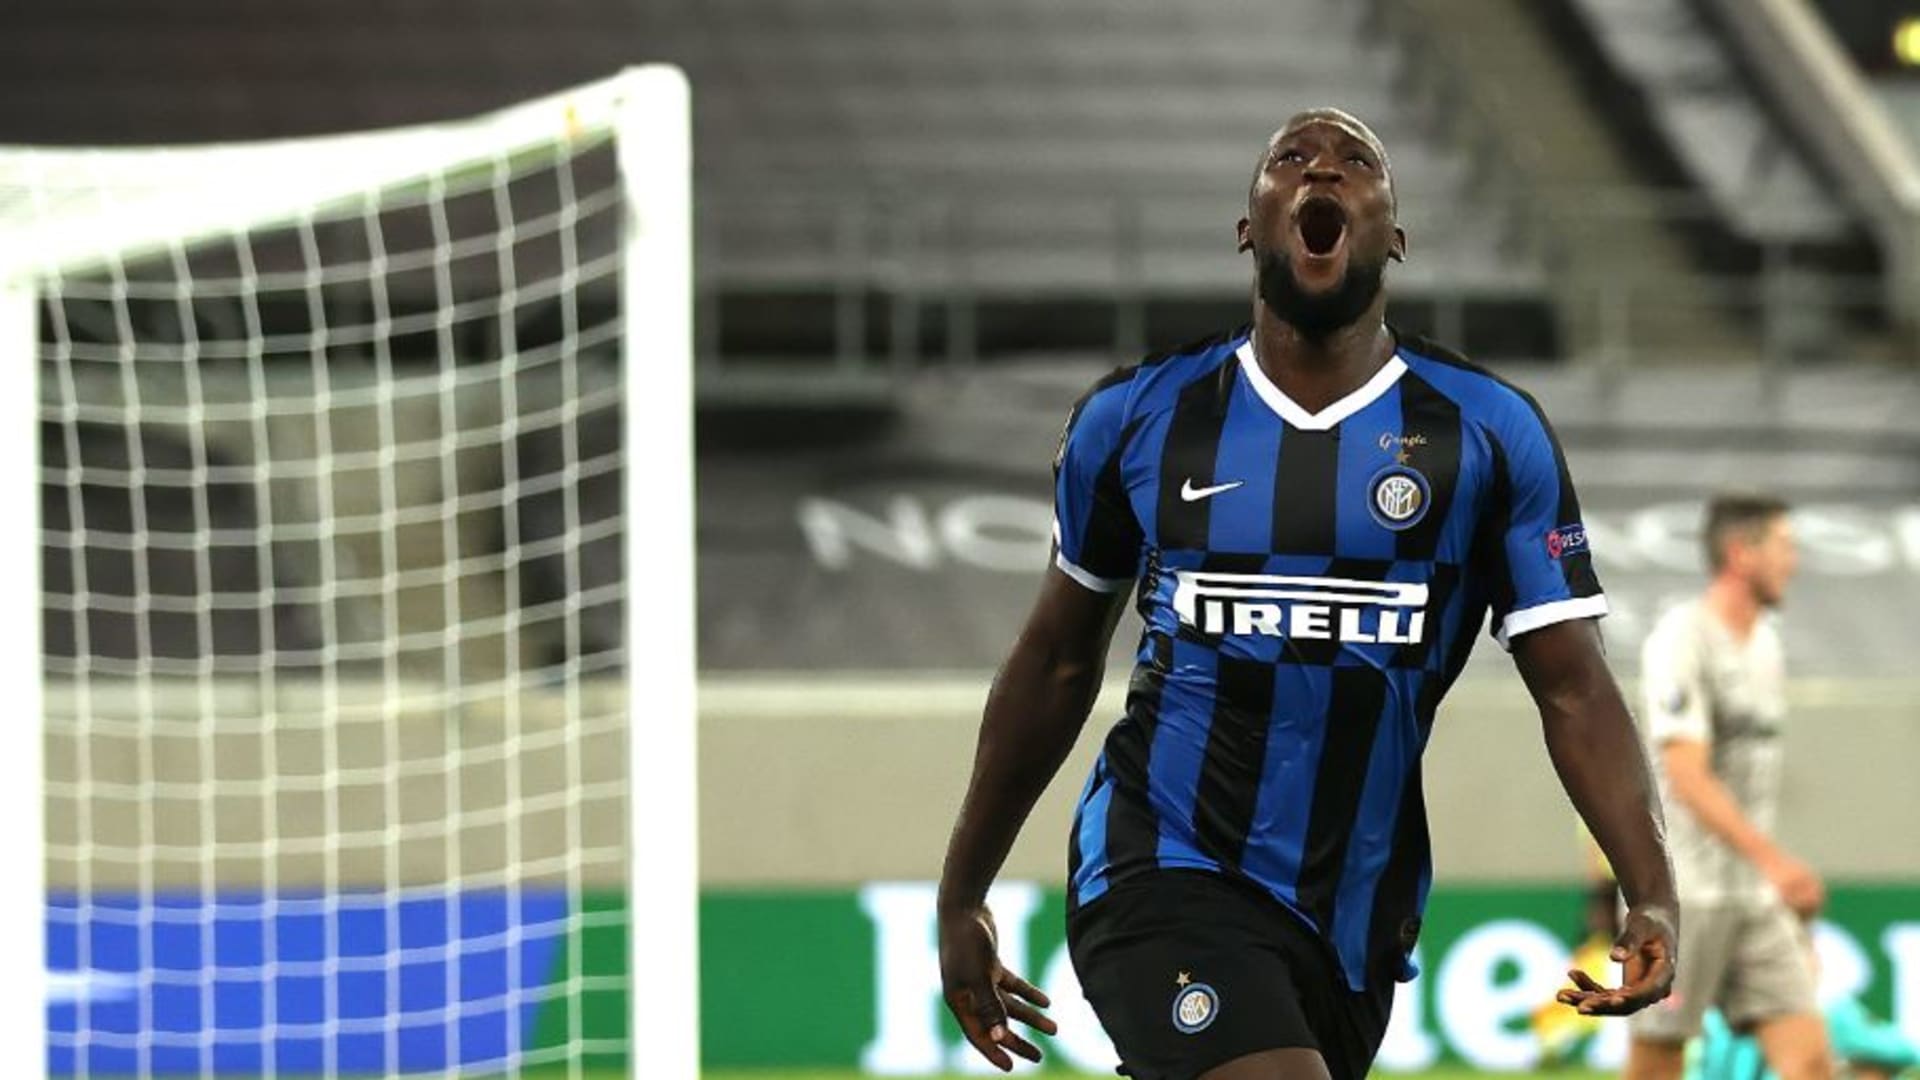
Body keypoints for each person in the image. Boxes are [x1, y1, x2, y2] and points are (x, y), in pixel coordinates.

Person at [934, 107, 1679, 1080]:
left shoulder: (1488, 434)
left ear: (1394, 235)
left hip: (1356, 915)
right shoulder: (1139, 418)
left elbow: (1575, 688)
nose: (1322, 170)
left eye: (1355, 161)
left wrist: (1650, 889)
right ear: (1251, 226)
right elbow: (1057, 661)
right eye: (1291, 158)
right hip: (1162, 863)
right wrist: (963, 894)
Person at [1626, 495, 1831, 1080]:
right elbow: (1687, 774)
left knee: (1809, 1058)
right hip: (1682, 893)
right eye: (1783, 547)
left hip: (1752, 895)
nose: (1793, 562)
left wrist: (1766, 874)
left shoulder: (1765, 644)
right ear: (1742, 554)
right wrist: (1775, 861)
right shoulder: (1681, 639)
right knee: (1658, 1062)